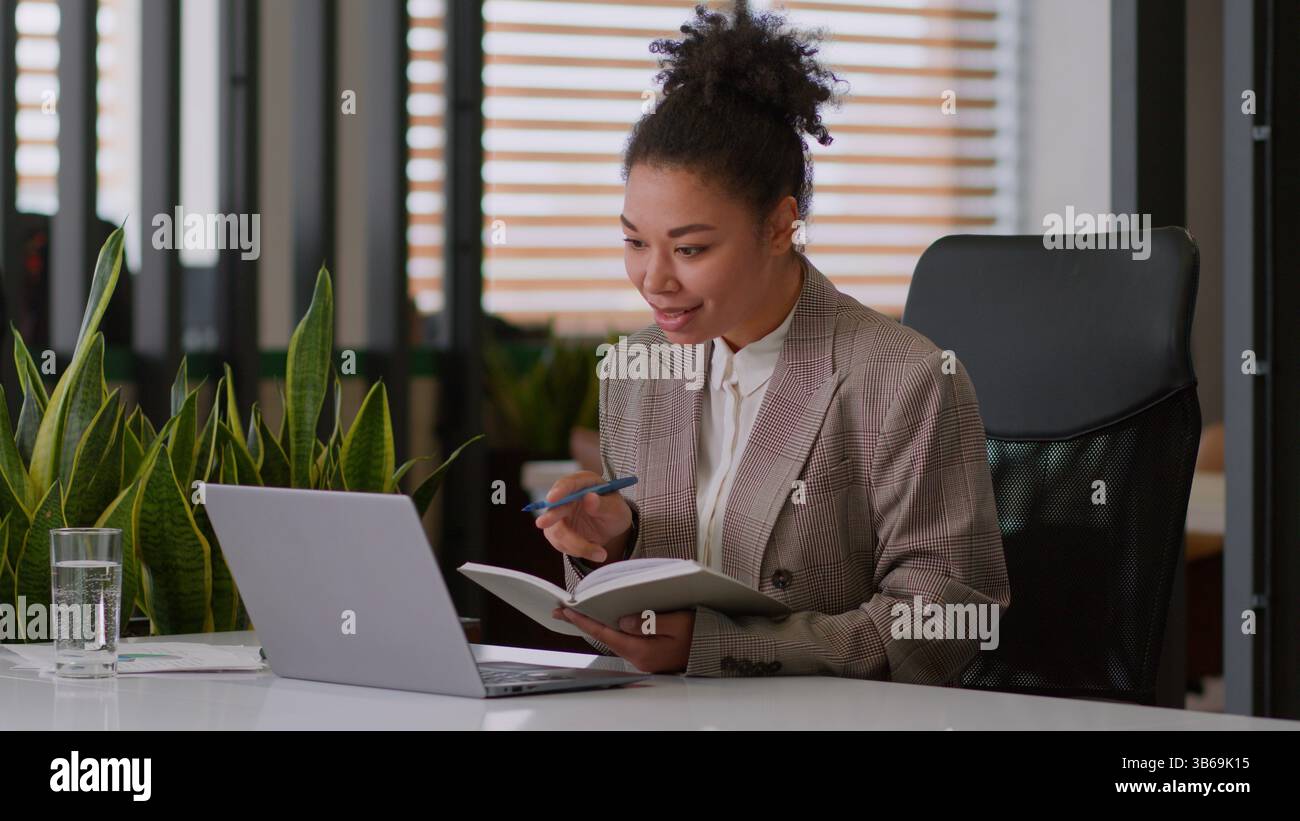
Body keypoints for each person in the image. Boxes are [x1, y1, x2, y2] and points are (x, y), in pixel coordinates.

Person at [535, 0, 1009, 682]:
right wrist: (611, 541)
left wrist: (720, 647)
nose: (655, 279)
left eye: (691, 247)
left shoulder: (902, 378)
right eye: (634, 242)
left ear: (782, 225)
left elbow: (942, 622)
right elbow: (666, 597)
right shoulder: (637, 368)